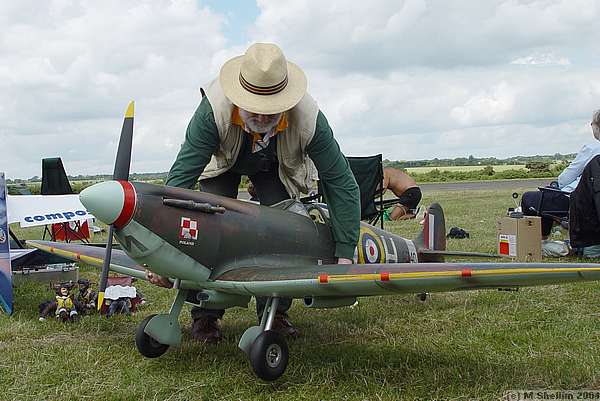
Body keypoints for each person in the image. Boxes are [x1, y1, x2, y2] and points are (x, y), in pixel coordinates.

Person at [149, 43, 360, 343]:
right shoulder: (213, 111)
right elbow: (181, 180)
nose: (262, 118)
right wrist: (164, 247)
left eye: (270, 111)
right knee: (206, 219)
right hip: (224, 162)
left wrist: (344, 253)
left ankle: (274, 314)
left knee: (285, 229)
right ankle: (205, 315)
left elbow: (341, 182)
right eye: (254, 109)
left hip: (277, 166)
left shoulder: (309, 119)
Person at [522, 109, 600, 238]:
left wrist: (558, 184)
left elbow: (565, 178)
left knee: (529, 198)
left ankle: (541, 239)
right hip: (592, 203)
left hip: (576, 201)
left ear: (597, 126)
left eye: (592, 124)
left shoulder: (592, 149)